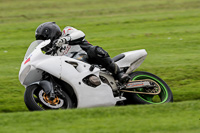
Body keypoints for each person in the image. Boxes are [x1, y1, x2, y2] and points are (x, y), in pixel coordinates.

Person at [35, 22, 130, 84]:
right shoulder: (52, 53)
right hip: (73, 70)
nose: (43, 43)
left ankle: (118, 73)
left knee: (95, 50)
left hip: (88, 58)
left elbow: (80, 34)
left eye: (44, 39)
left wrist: (65, 39)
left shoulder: (66, 31)